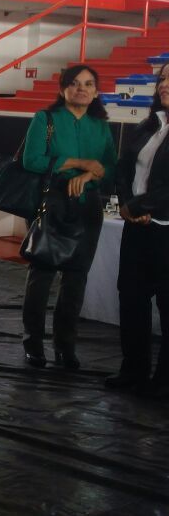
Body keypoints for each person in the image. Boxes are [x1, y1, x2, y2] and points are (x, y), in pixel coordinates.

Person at [20, 64, 116, 370]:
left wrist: (89, 175)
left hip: (88, 207)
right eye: (74, 83)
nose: (81, 89)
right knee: (42, 275)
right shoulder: (45, 119)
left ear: (96, 92)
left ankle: (65, 346)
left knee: (76, 278)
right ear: (63, 89)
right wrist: (79, 162)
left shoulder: (101, 126)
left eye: (88, 84)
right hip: (52, 204)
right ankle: (33, 343)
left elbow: (110, 167)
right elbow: (32, 160)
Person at [107, 61, 169, 397]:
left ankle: (163, 381)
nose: (164, 84)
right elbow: (123, 169)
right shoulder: (148, 126)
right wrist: (128, 204)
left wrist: (141, 207)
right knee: (131, 299)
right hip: (137, 228)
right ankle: (133, 370)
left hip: (164, 229)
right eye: (162, 78)